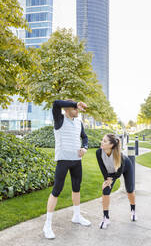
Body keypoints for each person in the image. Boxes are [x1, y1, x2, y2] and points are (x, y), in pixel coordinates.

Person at [43, 100, 91, 239]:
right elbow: (56, 103)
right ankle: (47, 225)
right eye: (75, 109)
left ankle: (76, 216)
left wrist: (85, 148)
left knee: (77, 188)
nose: (78, 111)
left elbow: (85, 137)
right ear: (68, 109)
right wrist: (76, 102)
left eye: (78, 109)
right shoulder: (59, 119)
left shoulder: (78, 123)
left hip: (77, 161)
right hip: (63, 161)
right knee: (56, 190)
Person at [96, 133, 137, 229]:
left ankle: (133, 211)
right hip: (110, 173)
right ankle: (106, 218)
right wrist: (107, 180)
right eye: (102, 139)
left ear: (111, 145)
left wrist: (112, 179)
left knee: (130, 190)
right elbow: (103, 169)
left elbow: (119, 173)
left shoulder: (120, 156)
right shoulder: (99, 152)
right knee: (105, 190)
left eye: (105, 141)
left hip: (125, 168)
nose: (102, 142)